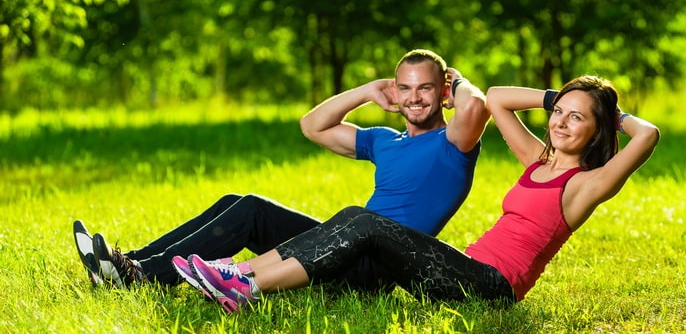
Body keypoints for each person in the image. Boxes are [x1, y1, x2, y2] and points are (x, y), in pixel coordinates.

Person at [179, 75, 660, 313]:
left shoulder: (585, 185)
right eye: (560, 113)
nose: (560, 122)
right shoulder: (538, 160)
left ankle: (247, 284)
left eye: (577, 118)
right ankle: (234, 275)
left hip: (491, 288)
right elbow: (496, 98)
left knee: (362, 221)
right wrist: (557, 97)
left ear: (597, 130)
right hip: (460, 269)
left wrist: (608, 108)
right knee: (354, 222)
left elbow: (648, 135)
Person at [73, 49, 490, 294]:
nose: (414, 98)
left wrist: (459, 81)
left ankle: (140, 276)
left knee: (327, 216)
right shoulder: (385, 140)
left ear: (442, 93)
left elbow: (477, 106)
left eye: (426, 88)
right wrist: (366, 91)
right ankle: (128, 263)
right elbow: (313, 125)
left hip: (376, 268)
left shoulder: (454, 143)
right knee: (243, 205)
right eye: (405, 87)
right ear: (394, 92)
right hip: (342, 244)